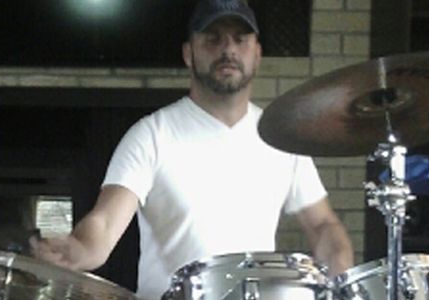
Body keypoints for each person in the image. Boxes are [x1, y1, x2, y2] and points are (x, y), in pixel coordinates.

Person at [31, 0, 354, 298]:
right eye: (212, 38)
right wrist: (80, 248)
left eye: (240, 39)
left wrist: (341, 277)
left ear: (257, 54)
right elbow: (105, 221)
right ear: (189, 53)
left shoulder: (281, 138)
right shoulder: (152, 134)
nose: (227, 48)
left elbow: (323, 225)